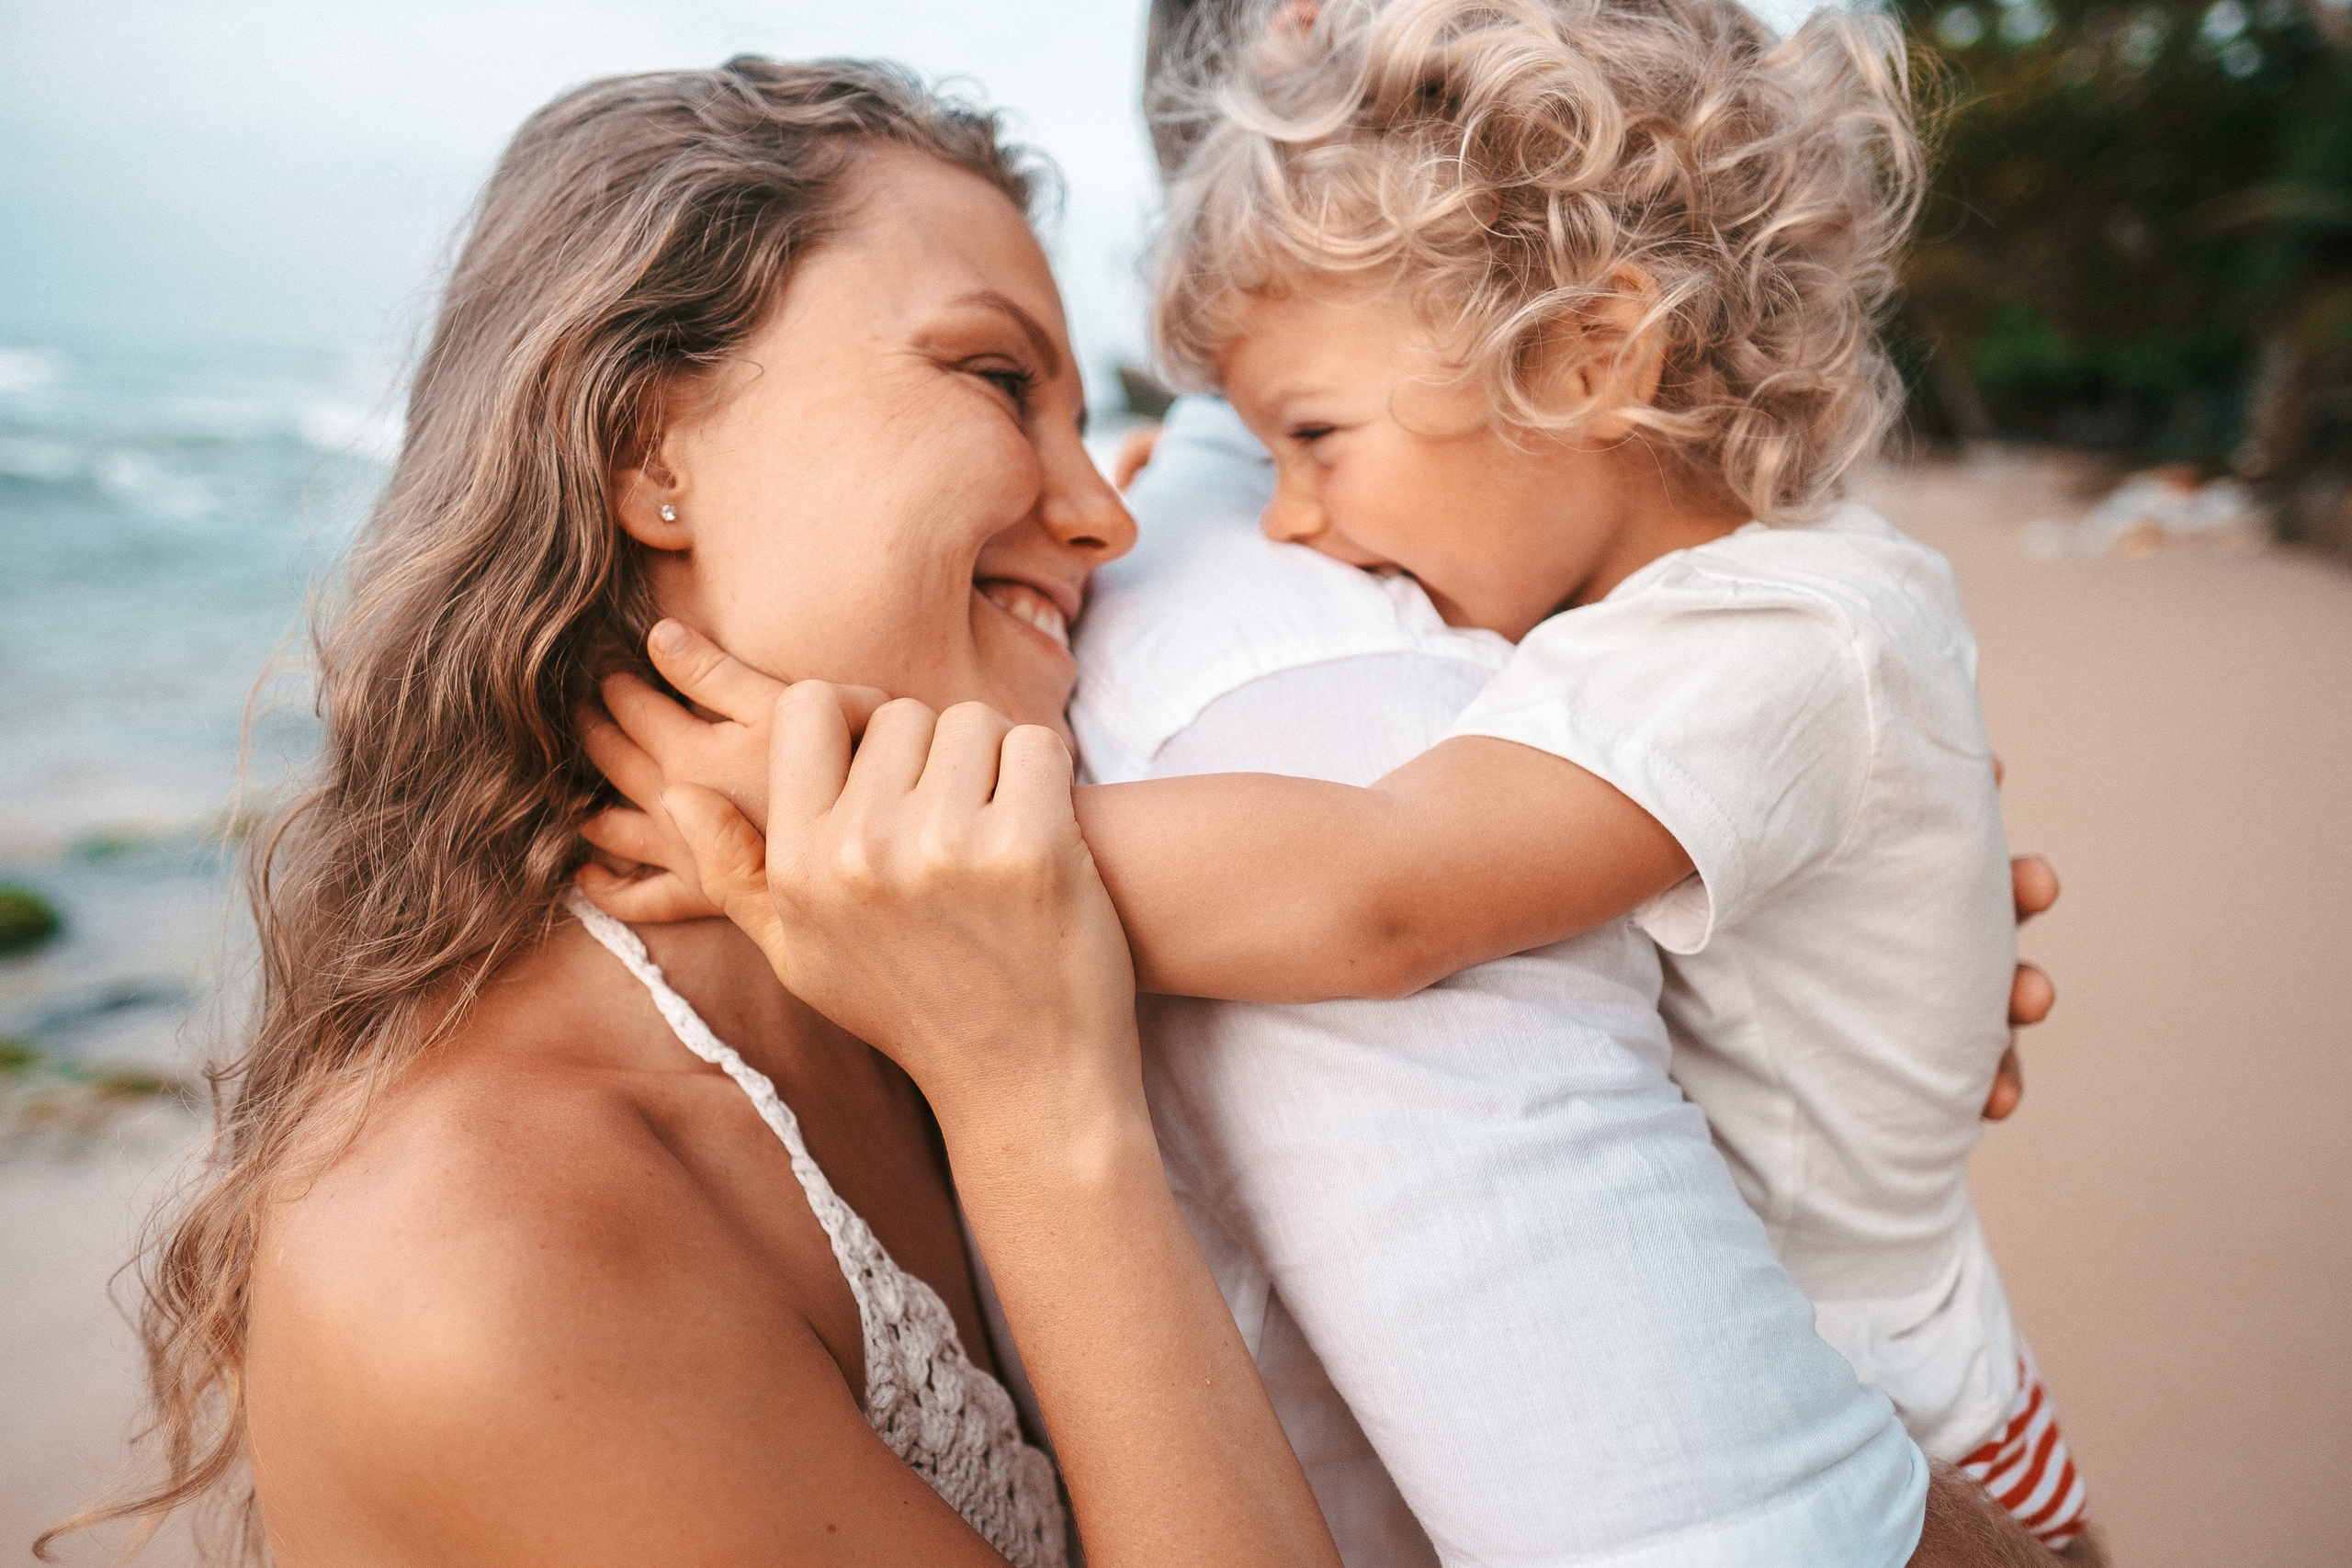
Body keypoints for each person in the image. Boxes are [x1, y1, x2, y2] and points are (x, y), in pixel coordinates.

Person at [580, 4, 2091, 1565]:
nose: (1290, 518)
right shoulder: (1655, 599)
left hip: (1921, 1394)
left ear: (1593, 353)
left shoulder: (1757, 651)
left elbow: (1378, 893)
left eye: (1313, 439)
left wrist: (889, 843)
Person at [40, 58, 1349, 1568]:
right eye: (998, 381)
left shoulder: (907, 951)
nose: (1106, 515)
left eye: (1080, 414)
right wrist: (1042, 1111)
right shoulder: (487, 1250)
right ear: (648, 450)